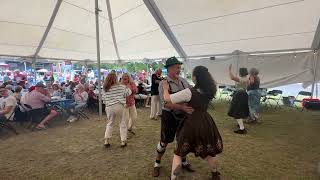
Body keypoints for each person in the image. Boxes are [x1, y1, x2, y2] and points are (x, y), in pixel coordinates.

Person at [162, 66, 223, 180]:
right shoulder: (210, 90)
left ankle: (173, 178)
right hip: (206, 122)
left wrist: (165, 88)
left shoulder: (189, 92)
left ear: (195, 77)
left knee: (178, 154)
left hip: (191, 124)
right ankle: (215, 174)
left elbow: (167, 99)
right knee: (210, 152)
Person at [152, 57, 194, 177]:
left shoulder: (183, 81)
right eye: (176, 67)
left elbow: (192, 92)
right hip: (169, 116)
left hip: (183, 115)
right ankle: (157, 163)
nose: (179, 70)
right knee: (164, 142)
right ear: (169, 69)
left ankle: (184, 162)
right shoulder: (163, 83)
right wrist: (182, 107)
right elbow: (166, 103)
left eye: (179, 67)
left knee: (182, 139)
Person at [101, 73, 132, 148]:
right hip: (119, 106)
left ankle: (106, 141)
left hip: (109, 107)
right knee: (122, 123)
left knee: (110, 123)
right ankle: (123, 141)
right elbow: (128, 93)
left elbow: (103, 100)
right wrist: (127, 87)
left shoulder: (105, 88)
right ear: (116, 79)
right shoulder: (121, 86)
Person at [228, 64, 249, 134]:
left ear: (241, 73)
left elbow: (232, 77)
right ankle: (240, 124)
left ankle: (242, 129)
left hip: (239, 95)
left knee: (237, 111)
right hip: (244, 94)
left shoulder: (242, 79)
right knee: (240, 110)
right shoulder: (247, 78)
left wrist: (229, 70)